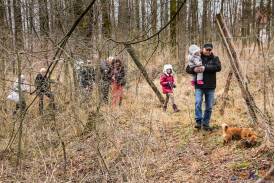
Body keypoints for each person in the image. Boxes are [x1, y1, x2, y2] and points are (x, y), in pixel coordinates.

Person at [186, 43, 221, 131]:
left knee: (209, 106)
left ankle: (205, 124)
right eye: (207, 49)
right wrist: (194, 69)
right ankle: (198, 121)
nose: (208, 51)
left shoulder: (215, 58)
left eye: (210, 50)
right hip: (199, 86)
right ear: (203, 49)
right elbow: (187, 68)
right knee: (198, 102)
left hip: (210, 86)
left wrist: (205, 68)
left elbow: (218, 67)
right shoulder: (197, 55)